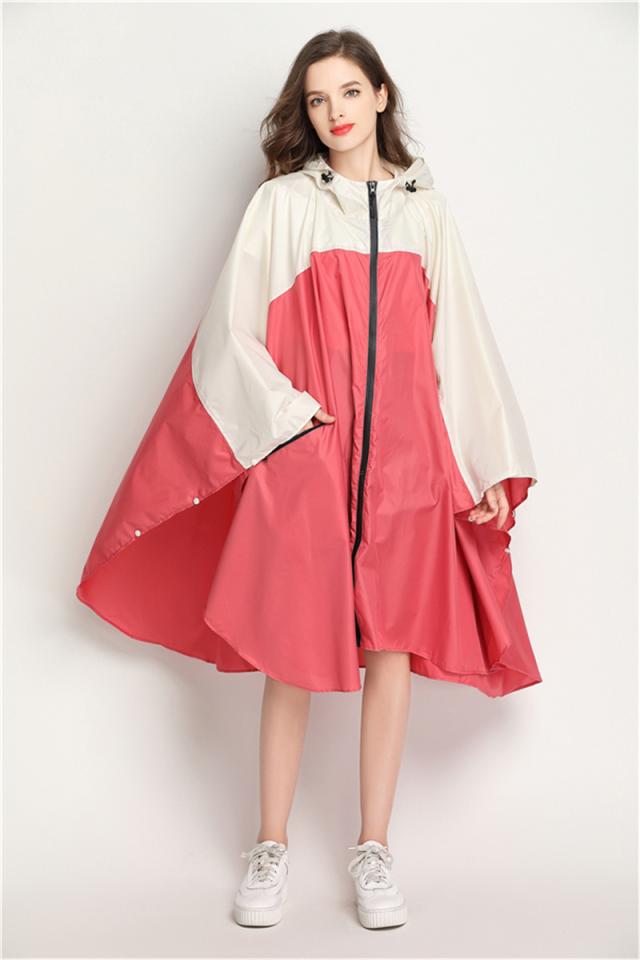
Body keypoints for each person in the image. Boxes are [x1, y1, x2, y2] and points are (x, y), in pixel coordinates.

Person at [76, 29, 542, 931]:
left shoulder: (426, 213)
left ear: (381, 95)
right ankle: (271, 845)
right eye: (318, 99)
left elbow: (462, 343)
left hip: (409, 467)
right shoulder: (283, 205)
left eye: (350, 92)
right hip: (309, 456)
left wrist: (485, 461)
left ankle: (374, 848)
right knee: (291, 650)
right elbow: (229, 331)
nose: (335, 112)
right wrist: (290, 420)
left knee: (391, 648)